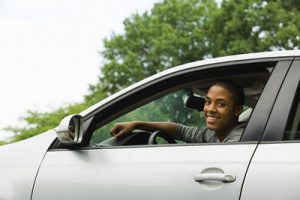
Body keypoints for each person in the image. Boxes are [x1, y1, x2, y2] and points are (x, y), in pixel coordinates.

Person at [111, 80, 245, 143]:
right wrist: (136, 124)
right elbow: (180, 131)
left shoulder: (238, 140)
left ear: (237, 110)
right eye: (208, 102)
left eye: (221, 104)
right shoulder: (214, 135)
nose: (210, 109)